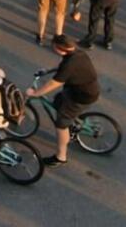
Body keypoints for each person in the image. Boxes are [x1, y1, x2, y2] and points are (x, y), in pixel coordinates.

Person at [27, 35, 101, 168]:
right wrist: (48, 70)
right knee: (58, 100)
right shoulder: (77, 53)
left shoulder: (70, 65)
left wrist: (35, 93)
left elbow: (53, 84)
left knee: (61, 124)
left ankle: (60, 156)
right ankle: (73, 124)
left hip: (81, 96)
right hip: (85, 90)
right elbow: (62, 65)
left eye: (53, 47)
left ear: (60, 49)